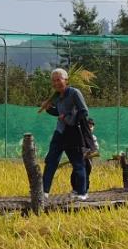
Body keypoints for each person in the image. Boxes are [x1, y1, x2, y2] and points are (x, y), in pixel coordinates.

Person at [42, 68, 90, 201]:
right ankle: (44, 191)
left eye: (59, 80)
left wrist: (70, 118)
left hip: (73, 132)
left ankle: (82, 193)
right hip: (60, 132)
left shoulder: (74, 93)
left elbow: (84, 111)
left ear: (66, 80)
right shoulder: (57, 96)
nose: (56, 83)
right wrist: (48, 109)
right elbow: (57, 112)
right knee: (51, 160)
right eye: (54, 80)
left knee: (77, 163)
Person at [83, 117, 100, 188]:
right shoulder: (82, 136)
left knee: (87, 172)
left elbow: (96, 147)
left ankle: (85, 189)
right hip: (81, 158)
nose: (90, 128)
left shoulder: (93, 137)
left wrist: (90, 152)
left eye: (91, 127)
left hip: (89, 158)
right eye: (88, 127)